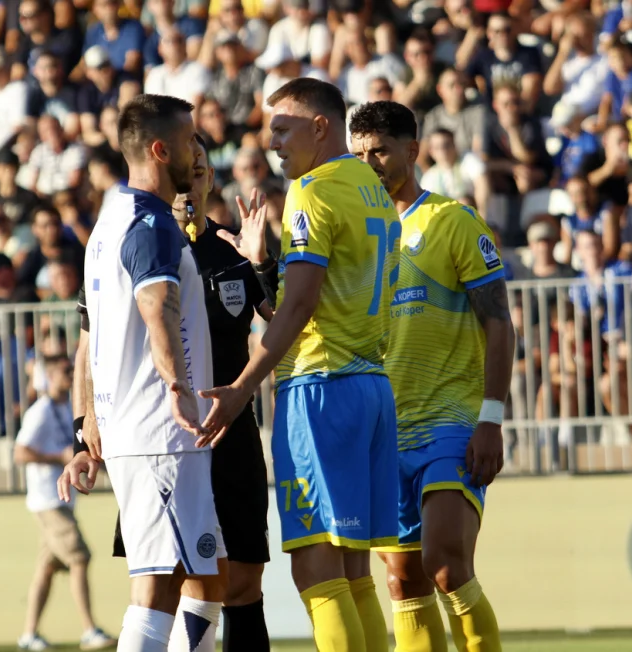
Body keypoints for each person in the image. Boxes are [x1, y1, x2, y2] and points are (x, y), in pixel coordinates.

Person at [199, 78, 400, 651]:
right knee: (353, 573)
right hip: (369, 386)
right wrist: (264, 265)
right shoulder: (371, 187)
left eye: (283, 130)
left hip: (320, 388)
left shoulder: (312, 192)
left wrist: (240, 387)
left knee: (315, 573)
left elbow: (301, 306)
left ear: (321, 126)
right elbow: (310, 294)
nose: (274, 145)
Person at [62, 134, 278, 651]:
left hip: (231, 436)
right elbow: (87, 348)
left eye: (202, 169)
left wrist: (263, 262)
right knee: (169, 580)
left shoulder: (231, 249)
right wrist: (81, 431)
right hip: (166, 435)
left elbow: (285, 323)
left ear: (205, 180)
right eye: (189, 165)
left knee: (235, 582)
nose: (192, 179)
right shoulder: (140, 238)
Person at [350, 100, 512, 652]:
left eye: (380, 151)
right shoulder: (359, 237)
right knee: (403, 581)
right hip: (384, 429)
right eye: (359, 154)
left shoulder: (452, 220)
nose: (369, 163)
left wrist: (491, 419)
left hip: (451, 419)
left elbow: (500, 323)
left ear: (412, 151)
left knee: (444, 564)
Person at [81, 94, 221, 652]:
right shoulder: (151, 221)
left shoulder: (110, 220)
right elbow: (156, 305)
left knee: (198, 576)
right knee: (158, 589)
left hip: (144, 431)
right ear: (161, 150)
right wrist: (179, 390)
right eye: (191, 141)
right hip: (159, 431)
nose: (198, 151)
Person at [13, 355, 115, 651]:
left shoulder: (62, 408)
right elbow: (20, 453)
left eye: (70, 372)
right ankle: (88, 630)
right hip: (48, 501)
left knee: (46, 570)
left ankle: (29, 635)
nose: (69, 377)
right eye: (62, 372)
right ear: (48, 377)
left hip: (58, 502)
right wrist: (56, 458)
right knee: (79, 557)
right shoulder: (41, 410)